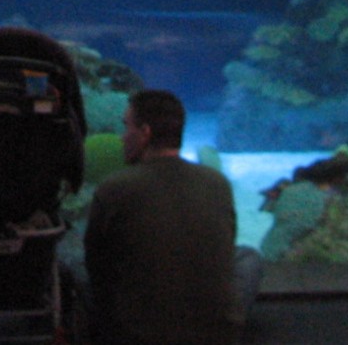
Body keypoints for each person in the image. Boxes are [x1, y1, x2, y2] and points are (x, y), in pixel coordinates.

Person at [84, 90, 263, 345]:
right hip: (216, 336)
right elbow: (224, 246)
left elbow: (96, 265)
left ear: (145, 133)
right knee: (248, 257)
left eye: (127, 127)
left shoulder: (114, 187)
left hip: (137, 335)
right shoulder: (217, 183)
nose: (122, 138)